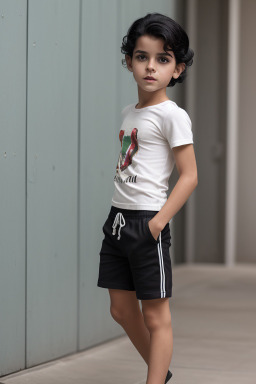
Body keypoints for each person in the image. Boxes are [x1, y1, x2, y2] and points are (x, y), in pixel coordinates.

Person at [97, 12, 198, 384]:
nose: (150, 67)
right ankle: (162, 371)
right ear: (129, 62)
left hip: (146, 222)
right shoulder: (129, 113)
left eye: (163, 59)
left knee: (156, 316)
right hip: (117, 220)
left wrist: (157, 224)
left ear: (177, 68)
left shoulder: (173, 116)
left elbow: (190, 176)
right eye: (142, 57)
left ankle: (155, 379)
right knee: (121, 310)